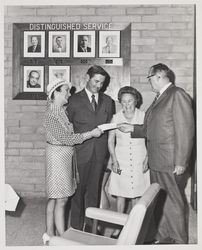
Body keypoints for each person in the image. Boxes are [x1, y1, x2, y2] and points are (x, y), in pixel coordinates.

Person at [118, 63, 195, 244]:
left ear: (159, 76)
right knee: (159, 201)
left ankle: (178, 240)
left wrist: (181, 161)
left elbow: (186, 130)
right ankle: (162, 238)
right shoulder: (160, 97)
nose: (149, 82)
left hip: (170, 161)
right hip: (157, 160)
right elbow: (153, 128)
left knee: (173, 202)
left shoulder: (177, 95)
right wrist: (132, 128)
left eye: (149, 78)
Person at [42, 78, 103, 245]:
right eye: (66, 91)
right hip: (57, 157)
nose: (69, 94)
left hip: (65, 156)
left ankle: (49, 233)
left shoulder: (62, 110)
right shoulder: (50, 115)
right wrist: (90, 134)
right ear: (56, 93)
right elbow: (66, 138)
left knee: (56, 197)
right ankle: (60, 237)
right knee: (60, 198)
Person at [67, 65, 115, 232]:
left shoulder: (109, 101)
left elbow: (109, 128)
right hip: (79, 153)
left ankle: (91, 226)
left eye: (101, 83)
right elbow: (68, 128)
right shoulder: (73, 100)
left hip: (99, 153)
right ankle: (75, 226)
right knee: (77, 192)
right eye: (96, 81)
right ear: (87, 78)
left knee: (94, 191)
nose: (98, 86)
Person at [108, 86, 150, 238]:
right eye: (123, 101)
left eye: (130, 101)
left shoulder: (144, 116)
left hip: (140, 159)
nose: (127, 104)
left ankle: (136, 227)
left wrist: (147, 159)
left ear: (136, 100)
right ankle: (119, 227)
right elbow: (110, 140)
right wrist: (114, 160)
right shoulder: (115, 117)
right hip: (121, 162)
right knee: (121, 194)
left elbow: (151, 139)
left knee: (138, 194)